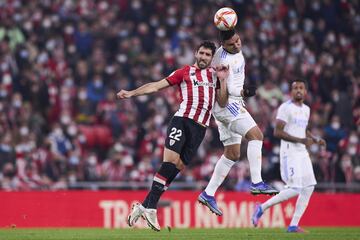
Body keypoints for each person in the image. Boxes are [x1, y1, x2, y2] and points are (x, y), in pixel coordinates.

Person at [118, 41, 229, 231]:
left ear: (212, 58)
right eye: (201, 53)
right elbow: (155, 86)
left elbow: (223, 102)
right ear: (196, 53)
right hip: (182, 121)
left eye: (207, 55)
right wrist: (131, 93)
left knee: (176, 168)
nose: (203, 57)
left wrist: (224, 80)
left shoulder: (215, 75)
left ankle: (144, 205)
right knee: (169, 163)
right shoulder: (184, 72)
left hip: (200, 129)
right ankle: (151, 207)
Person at [198, 29, 278, 216]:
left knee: (233, 154)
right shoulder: (220, 60)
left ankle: (208, 194)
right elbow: (223, 97)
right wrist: (242, 93)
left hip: (230, 105)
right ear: (223, 45)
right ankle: (257, 182)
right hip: (227, 106)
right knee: (256, 135)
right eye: (232, 44)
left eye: (238, 41)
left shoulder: (236, 52)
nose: (237, 45)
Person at [251, 78, 326, 233]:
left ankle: (293, 225)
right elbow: (277, 131)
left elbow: (303, 129)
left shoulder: (306, 109)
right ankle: (262, 207)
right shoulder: (285, 108)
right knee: (295, 188)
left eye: (301, 88)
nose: (298, 90)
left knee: (309, 187)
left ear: (305, 92)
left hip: (302, 153)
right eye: (295, 88)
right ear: (291, 91)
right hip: (289, 152)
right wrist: (301, 140)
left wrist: (314, 138)